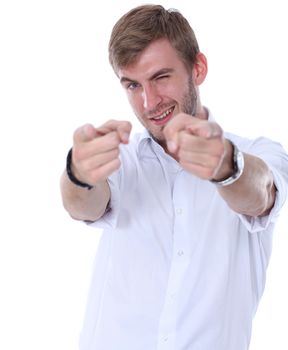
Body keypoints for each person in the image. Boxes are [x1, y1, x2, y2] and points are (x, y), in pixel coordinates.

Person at [60, 4, 288, 350]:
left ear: (198, 68)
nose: (149, 102)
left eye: (160, 78)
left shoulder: (259, 152)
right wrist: (79, 173)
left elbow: (260, 193)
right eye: (132, 85)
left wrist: (227, 165)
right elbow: (83, 206)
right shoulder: (121, 158)